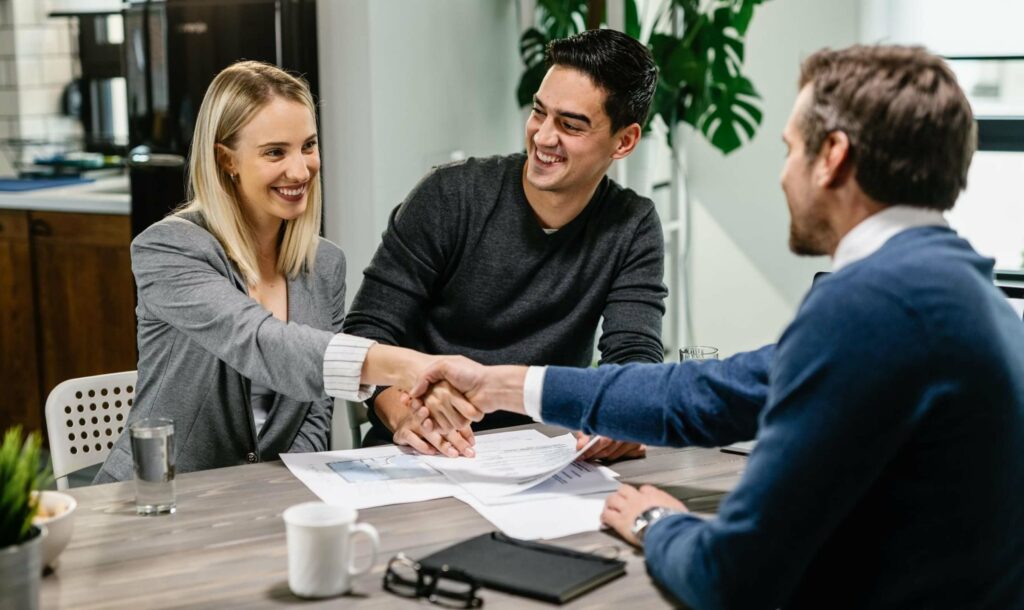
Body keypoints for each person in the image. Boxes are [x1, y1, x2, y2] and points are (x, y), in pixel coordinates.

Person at [409, 45, 1024, 609]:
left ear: (832, 157)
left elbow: (731, 578)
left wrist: (657, 522)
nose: (784, 175)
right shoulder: (961, 294)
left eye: (790, 150)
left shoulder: (871, 307)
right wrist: (505, 385)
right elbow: (713, 393)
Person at [95, 61, 451, 482]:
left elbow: (315, 415)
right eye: (275, 152)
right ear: (225, 159)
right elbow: (260, 342)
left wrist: (274, 494)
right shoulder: (169, 248)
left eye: (308, 146)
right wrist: (405, 364)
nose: (300, 170)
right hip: (160, 498)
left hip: (264, 504)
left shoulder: (325, 265)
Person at [342, 29, 668, 460]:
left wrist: (621, 415)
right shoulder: (449, 196)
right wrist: (402, 413)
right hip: (422, 454)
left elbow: (633, 352)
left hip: (546, 458)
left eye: (570, 125)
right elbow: (366, 335)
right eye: (539, 112)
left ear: (623, 141)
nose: (543, 137)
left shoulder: (632, 224)